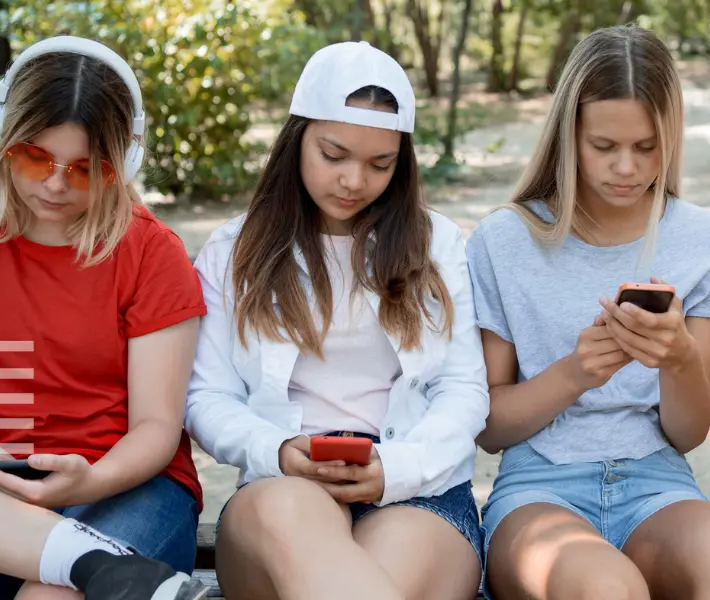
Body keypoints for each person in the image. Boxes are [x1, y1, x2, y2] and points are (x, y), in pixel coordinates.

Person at [0, 36, 208, 599]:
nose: (56, 184)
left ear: (120, 165)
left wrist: (91, 479)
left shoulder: (151, 252)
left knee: (49, 595)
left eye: (86, 169)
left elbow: (156, 427)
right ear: (1, 138)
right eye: (35, 157)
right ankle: (87, 561)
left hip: (122, 488)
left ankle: (92, 563)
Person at [467, 25, 710, 600]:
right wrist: (576, 373)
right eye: (603, 147)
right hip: (539, 488)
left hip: (657, 482)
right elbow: (488, 429)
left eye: (646, 147)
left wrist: (680, 357)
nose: (627, 169)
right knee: (606, 590)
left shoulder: (706, 241)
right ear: (568, 136)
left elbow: (687, 434)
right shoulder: (503, 240)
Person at [184, 41, 489, 600]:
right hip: (283, 486)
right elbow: (207, 397)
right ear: (296, 139)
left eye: (380, 164)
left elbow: (464, 389)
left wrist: (397, 468)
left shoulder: (436, 242)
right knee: (296, 524)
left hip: (417, 488)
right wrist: (276, 450)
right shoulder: (234, 250)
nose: (354, 180)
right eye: (334, 154)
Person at [0, 426, 208, 600]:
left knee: (50, 595)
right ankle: (96, 560)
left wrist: (91, 481)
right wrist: (6, 478)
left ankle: (88, 561)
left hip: (126, 483)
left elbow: (156, 422)